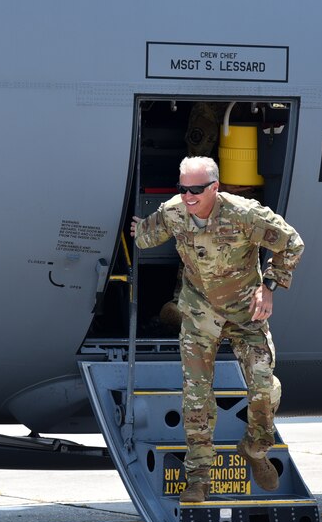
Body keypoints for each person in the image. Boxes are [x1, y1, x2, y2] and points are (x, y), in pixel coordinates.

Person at [130, 156, 304, 502]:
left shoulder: (244, 215)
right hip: (200, 314)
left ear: (215, 187)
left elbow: (292, 243)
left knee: (264, 389)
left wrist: (268, 286)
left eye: (196, 189)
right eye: (183, 189)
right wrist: (140, 230)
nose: (189, 196)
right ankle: (198, 478)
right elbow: (146, 238)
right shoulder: (174, 211)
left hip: (245, 313)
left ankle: (255, 450)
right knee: (196, 397)